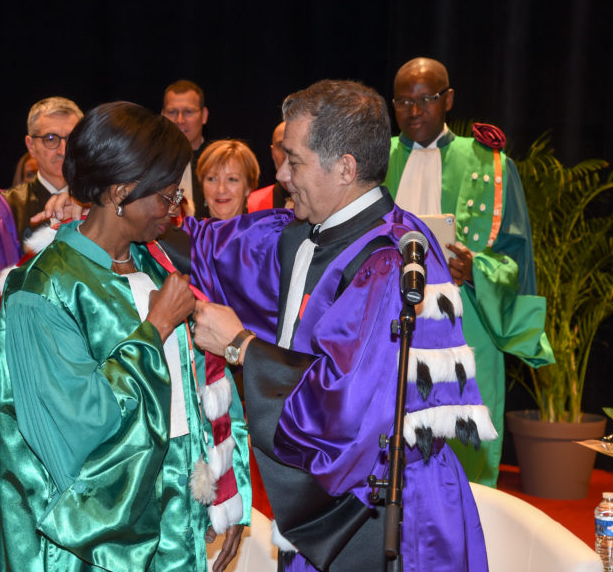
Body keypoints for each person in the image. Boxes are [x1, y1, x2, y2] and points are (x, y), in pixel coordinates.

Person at [178, 79, 492, 570]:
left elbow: (342, 409)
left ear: (345, 167)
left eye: (295, 161)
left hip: (388, 516)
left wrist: (241, 347)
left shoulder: (390, 259)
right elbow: (208, 249)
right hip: (339, 504)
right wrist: (98, 206)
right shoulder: (307, 236)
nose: (280, 174)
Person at [0, 101, 249, 571]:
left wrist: (220, 490)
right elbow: (72, 428)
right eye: (167, 196)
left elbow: (197, 397)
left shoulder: (157, 265)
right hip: (90, 540)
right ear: (120, 191)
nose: (175, 211)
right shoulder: (43, 287)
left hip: (173, 515)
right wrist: (155, 328)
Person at [384, 57, 554, 487]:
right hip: (389, 326)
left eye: (425, 98)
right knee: (389, 459)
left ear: (449, 100)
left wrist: (476, 269)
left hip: (468, 325)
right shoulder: (373, 159)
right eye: (404, 101)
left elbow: (517, 259)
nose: (414, 110)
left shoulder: (488, 164)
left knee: (464, 468)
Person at [0, 95, 83, 572]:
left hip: (86, 382)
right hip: (21, 381)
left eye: (71, 139)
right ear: (30, 145)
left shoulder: (104, 205)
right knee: (16, 497)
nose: (60, 149)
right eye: (49, 139)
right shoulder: (3, 208)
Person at [162, 79, 209, 217]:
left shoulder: (220, 163)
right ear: (162, 115)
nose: (180, 120)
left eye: (188, 112)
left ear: (204, 115)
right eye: (172, 112)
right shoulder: (148, 163)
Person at [196, 139, 259, 220]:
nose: (221, 190)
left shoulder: (266, 231)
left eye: (232, 179)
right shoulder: (189, 231)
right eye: (212, 179)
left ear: (248, 187)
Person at [248, 121, 293, 212]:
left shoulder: (326, 200)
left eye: (293, 145)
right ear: (272, 153)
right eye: (281, 146)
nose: (286, 153)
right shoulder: (251, 204)